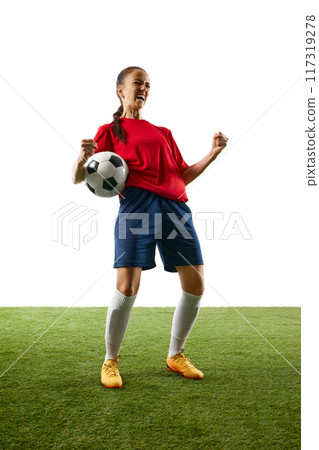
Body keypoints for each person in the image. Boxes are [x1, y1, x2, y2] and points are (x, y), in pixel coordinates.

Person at [72, 66, 228, 389]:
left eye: (147, 85)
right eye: (137, 83)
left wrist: (212, 154)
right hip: (137, 205)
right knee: (127, 286)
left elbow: (181, 175)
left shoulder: (163, 132)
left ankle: (176, 355)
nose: (143, 88)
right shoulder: (108, 132)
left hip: (175, 207)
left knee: (196, 283)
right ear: (120, 90)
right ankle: (110, 361)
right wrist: (81, 159)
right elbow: (81, 178)